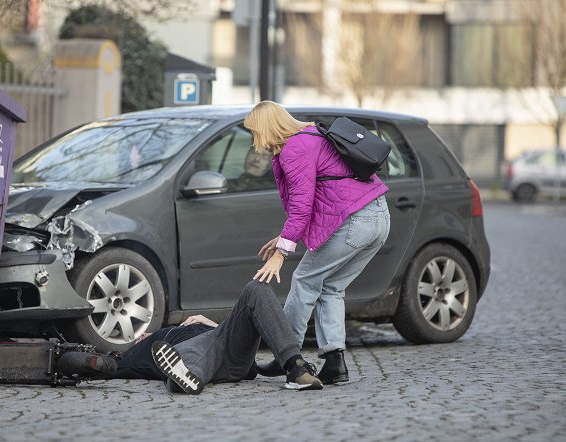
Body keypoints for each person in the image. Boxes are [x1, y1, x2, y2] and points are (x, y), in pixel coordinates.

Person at [243, 101, 391, 385]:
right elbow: (327, 194)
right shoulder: (313, 135)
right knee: (331, 287)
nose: (254, 140)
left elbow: (302, 206)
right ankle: (335, 363)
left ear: (266, 128)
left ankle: (286, 355)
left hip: (355, 221)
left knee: (304, 280)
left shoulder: (294, 148)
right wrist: (284, 236)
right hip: (378, 218)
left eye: (254, 132)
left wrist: (281, 254)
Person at [106, 281, 323, 394]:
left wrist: (209, 322)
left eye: (142, 334)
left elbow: (224, 334)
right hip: (196, 353)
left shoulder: (175, 328)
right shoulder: (138, 354)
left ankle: (295, 367)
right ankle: (180, 380)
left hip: (226, 346)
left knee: (256, 288)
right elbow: (106, 366)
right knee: (187, 353)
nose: (141, 335)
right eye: (137, 338)